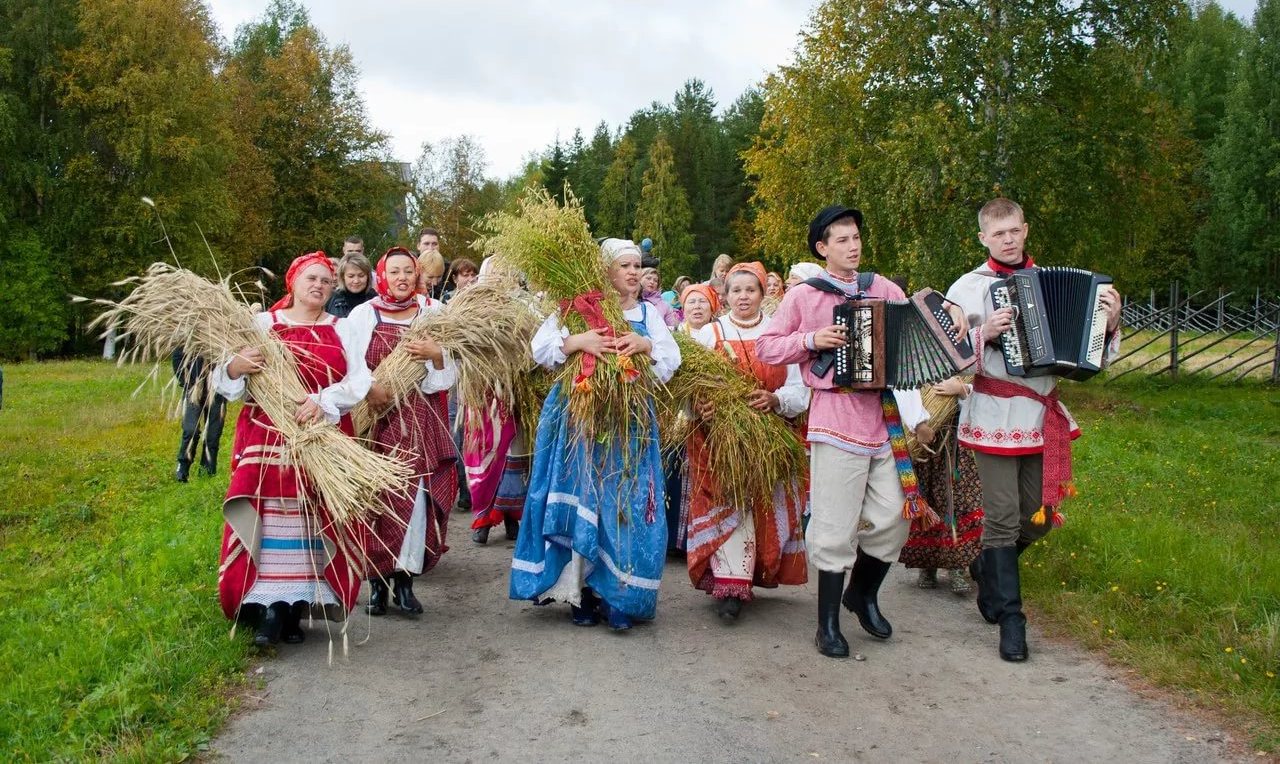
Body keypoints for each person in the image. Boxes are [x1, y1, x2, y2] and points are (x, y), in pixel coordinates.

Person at [757, 205, 957, 659]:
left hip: (883, 419)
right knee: (833, 525)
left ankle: (862, 592)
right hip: (834, 417)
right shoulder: (805, 296)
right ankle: (827, 624)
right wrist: (812, 340)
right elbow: (767, 347)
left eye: (856, 238)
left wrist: (953, 312)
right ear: (822, 248)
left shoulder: (881, 288)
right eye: (842, 240)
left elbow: (919, 325)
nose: (853, 245)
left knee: (895, 514)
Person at [946, 197, 1121, 662]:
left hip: (1041, 415)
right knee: (1002, 518)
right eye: (997, 233)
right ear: (983, 237)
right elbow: (945, 355)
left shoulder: (1053, 282)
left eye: (1014, 231)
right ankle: (1011, 620)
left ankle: (987, 565)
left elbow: (1092, 353)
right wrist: (983, 334)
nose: (1007, 240)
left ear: (1025, 230)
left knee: (1038, 519)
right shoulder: (967, 288)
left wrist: (1113, 319)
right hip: (992, 414)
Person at [510, 238, 680, 631]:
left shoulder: (648, 313)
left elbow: (671, 359)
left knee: (623, 502)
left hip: (628, 422)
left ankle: (617, 594)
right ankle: (581, 592)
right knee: (585, 496)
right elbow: (540, 348)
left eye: (637, 266)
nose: (634, 272)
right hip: (579, 420)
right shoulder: (579, 305)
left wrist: (646, 344)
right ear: (607, 272)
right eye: (625, 266)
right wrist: (577, 341)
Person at [212, 252, 372, 649]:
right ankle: (268, 607)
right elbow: (227, 375)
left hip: (322, 436)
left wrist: (323, 400)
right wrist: (235, 367)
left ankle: (296, 605)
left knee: (310, 520)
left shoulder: (344, 327)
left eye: (325, 281)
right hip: (267, 433)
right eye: (311, 279)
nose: (318, 286)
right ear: (293, 282)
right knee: (271, 519)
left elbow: (359, 379)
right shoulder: (262, 324)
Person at [686, 262, 810, 621]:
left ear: (762, 294)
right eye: (736, 291)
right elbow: (688, 386)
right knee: (730, 503)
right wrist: (701, 406)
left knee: (762, 506)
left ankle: (755, 573)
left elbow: (799, 390)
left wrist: (774, 400)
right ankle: (730, 586)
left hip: (768, 438)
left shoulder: (779, 333)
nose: (743, 297)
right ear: (724, 296)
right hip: (719, 441)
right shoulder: (708, 335)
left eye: (750, 290)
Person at [346, 247, 458, 617]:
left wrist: (436, 354)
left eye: (408, 271)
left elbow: (449, 375)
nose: (402, 278)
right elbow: (348, 364)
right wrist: (369, 389)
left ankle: (405, 581)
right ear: (382, 275)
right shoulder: (364, 314)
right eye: (394, 271)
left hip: (420, 421)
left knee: (414, 502)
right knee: (377, 499)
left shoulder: (432, 314)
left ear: (417, 274)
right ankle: (376, 583)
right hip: (375, 422)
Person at [464, 257, 531, 546]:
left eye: (506, 274)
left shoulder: (525, 307)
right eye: (495, 273)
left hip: (515, 391)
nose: (501, 279)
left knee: (516, 455)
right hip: (482, 394)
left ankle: (513, 516)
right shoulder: (471, 307)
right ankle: (483, 517)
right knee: (484, 454)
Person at [895, 378, 984, 595]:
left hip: (953, 438)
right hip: (921, 437)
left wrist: (963, 389)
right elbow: (903, 386)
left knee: (956, 498)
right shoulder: (913, 353)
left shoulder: (966, 351)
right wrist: (918, 422)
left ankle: (957, 565)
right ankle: (928, 563)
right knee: (926, 496)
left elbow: (982, 384)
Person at [662, 282, 722, 555]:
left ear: (713, 307)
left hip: (711, 415)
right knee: (674, 471)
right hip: (678, 416)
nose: (697, 308)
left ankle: (699, 538)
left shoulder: (721, 338)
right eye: (691, 302)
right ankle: (674, 538)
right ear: (682, 308)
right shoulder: (673, 336)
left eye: (703, 302)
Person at [172, 347, 227, 482]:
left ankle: (207, 472)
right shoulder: (191, 337)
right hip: (193, 391)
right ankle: (183, 468)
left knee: (212, 435)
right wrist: (187, 383)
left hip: (217, 392)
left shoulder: (221, 339)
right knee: (191, 430)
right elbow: (177, 358)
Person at [325, 253, 377, 318]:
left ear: (368, 276)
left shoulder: (376, 301)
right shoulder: (330, 299)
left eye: (361, 276)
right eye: (351, 276)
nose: (356, 281)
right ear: (342, 277)